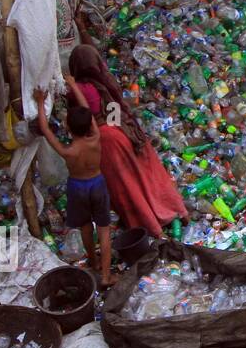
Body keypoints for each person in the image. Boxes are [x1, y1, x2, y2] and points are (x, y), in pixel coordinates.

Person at [68, 44, 187, 238]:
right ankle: (174, 210)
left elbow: (83, 114)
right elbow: (116, 112)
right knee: (146, 176)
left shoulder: (78, 89)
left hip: (104, 141)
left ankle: (150, 226)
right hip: (122, 131)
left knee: (126, 186)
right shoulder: (104, 82)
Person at [33, 86, 113, 288]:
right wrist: (74, 86)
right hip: (97, 183)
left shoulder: (67, 151)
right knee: (104, 231)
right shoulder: (95, 139)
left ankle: (93, 263)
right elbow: (88, 112)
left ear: (68, 127)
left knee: (86, 227)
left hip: (77, 186)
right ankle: (106, 276)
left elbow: (44, 128)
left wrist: (41, 103)